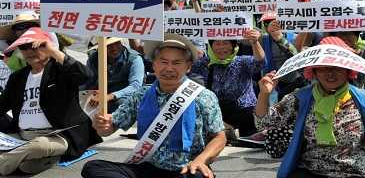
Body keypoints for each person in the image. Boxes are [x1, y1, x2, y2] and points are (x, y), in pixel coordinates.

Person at [255, 36, 365, 178]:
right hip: (310, 170)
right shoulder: (300, 98)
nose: (330, 73)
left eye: (337, 67)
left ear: (348, 71)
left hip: (355, 171)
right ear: (314, 72)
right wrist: (264, 94)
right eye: (323, 68)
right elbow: (264, 122)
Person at [81, 33, 226, 178]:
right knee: (93, 168)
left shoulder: (203, 96)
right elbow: (109, 128)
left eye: (176, 63)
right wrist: (103, 126)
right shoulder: (142, 94)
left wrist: (201, 160)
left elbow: (219, 138)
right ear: (154, 65)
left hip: (186, 168)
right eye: (163, 62)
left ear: (188, 67)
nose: (169, 68)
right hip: (148, 166)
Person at [0, 28, 102, 176]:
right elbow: (3, 104)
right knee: (28, 154)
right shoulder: (18, 77)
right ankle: (36, 162)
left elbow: (86, 76)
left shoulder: (60, 70)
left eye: (35, 46)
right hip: (22, 135)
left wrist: (53, 51)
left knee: (38, 147)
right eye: (23, 47)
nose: (29, 51)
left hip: (58, 136)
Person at [191, 29, 265, 137]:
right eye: (217, 43)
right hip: (216, 119)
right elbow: (184, 68)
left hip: (245, 117)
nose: (221, 47)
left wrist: (255, 42)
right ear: (211, 46)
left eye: (226, 43)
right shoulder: (202, 64)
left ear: (233, 45)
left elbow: (260, 62)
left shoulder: (242, 62)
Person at [83, 37, 145, 114]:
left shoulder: (135, 59)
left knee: (121, 103)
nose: (114, 48)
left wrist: (109, 96)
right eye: (109, 45)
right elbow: (88, 80)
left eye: (116, 43)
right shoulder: (94, 58)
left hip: (123, 95)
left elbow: (135, 86)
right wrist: (92, 92)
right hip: (102, 92)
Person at [260, 13, 305, 100]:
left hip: (294, 81)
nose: (270, 26)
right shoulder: (262, 39)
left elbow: (297, 59)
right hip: (272, 82)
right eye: (266, 23)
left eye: (275, 23)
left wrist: (279, 38)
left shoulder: (295, 38)